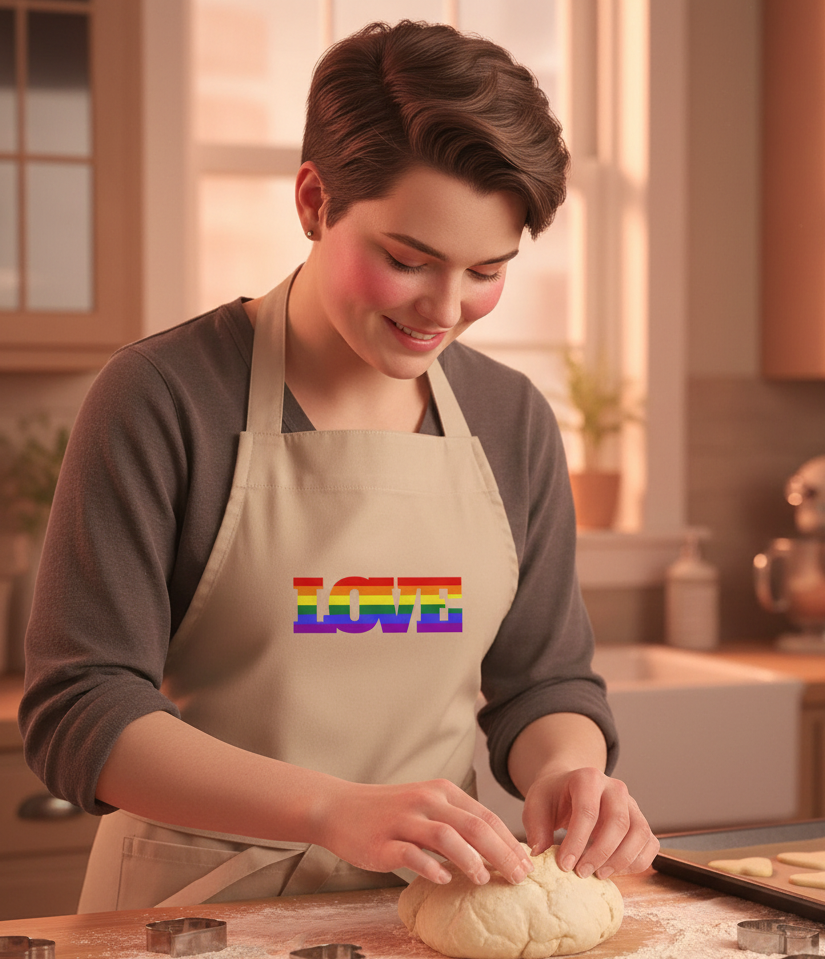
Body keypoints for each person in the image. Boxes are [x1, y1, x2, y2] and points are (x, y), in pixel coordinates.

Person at [19, 20, 658, 913]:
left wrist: (568, 771)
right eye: (408, 260)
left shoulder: (511, 421)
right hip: (189, 918)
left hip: (426, 915)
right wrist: (330, 809)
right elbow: (78, 708)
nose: (445, 308)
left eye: (487, 270)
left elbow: (544, 680)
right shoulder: (162, 397)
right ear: (315, 201)